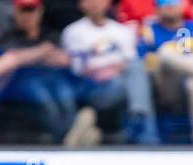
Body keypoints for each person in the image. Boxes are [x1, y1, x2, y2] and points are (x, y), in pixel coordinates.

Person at [0, 0, 76, 145]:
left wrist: (30, 56)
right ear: (15, 12)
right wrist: (39, 52)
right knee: (44, 99)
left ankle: (72, 132)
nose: (27, 16)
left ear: (39, 12)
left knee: (65, 94)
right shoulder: (7, 36)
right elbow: (12, 58)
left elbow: (63, 59)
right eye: (23, 11)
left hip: (51, 79)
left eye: (31, 10)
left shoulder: (49, 34)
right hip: (18, 82)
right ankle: (62, 140)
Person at [61, 0, 157, 146]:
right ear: (81, 4)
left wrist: (111, 69)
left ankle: (138, 118)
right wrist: (111, 67)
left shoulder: (122, 31)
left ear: (108, 3)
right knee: (133, 83)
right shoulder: (73, 31)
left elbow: (130, 62)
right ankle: (143, 129)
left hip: (118, 82)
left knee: (134, 73)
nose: (95, 3)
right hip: (89, 87)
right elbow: (79, 68)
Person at [139, 0, 193, 145]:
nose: (170, 6)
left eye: (173, 2)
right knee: (165, 53)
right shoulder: (150, 31)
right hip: (168, 88)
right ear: (156, 9)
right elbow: (145, 64)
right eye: (164, 3)